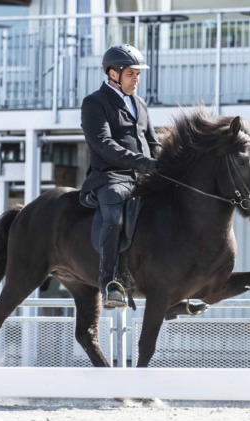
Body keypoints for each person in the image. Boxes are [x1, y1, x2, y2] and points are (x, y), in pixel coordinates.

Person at [80, 44, 161, 309]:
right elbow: (104, 144)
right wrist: (143, 162)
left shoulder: (140, 103)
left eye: (138, 74)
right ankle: (109, 282)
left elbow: (153, 141)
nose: (136, 79)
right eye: (131, 74)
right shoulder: (95, 102)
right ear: (113, 73)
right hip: (110, 176)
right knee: (114, 213)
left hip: (143, 176)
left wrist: (166, 163)